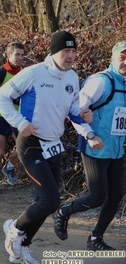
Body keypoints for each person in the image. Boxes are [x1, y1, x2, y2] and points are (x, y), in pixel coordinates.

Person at [0, 31, 92, 264]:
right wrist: (19, 122)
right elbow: (0, 97)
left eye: (73, 51)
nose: (70, 56)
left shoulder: (72, 77)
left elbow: (72, 109)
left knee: (45, 201)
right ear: (54, 52)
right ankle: (15, 229)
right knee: (50, 200)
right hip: (31, 146)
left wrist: (83, 114)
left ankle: (21, 248)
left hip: (54, 145)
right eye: (65, 51)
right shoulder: (34, 73)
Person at [53, 40, 126, 251]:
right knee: (97, 197)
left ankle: (95, 238)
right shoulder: (101, 81)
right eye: (122, 57)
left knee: (117, 194)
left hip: (116, 149)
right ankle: (62, 212)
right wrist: (90, 135)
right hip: (95, 147)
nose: (125, 62)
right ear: (112, 58)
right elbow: (75, 111)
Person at [0, 42, 25, 194]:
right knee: (0, 150)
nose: (20, 58)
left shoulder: (24, 72)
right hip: (0, 115)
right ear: (9, 55)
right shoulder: (2, 71)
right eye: (17, 54)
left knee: (23, 148)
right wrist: (11, 99)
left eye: (22, 55)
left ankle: (9, 168)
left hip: (17, 117)